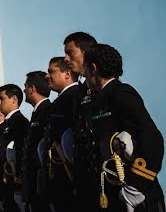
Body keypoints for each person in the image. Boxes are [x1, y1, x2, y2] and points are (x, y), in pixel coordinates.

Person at [83, 44, 165, 212]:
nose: (83, 75)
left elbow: (152, 138)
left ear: (93, 68)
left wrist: (135, 188)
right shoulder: (99, 100)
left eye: (85, 69)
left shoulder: (121, 93)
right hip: (112, 194)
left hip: (136, 197)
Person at [63, 31, 98, 211]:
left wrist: (134, 187)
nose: (65, 58)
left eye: (70, 53)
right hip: (89, 188)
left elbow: (148, 138)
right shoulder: (80, 93)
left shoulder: (111, 90)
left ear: (86, 52)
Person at [40, 57, 80, 211]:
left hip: (73, 181)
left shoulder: (76, 96)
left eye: (51, 72)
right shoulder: (59, 102)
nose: (46, 76)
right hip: (58, 181)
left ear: (67, 74)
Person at [0, 84, 28, 212]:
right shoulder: (5, 124)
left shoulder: (19, 121)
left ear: (14, 99)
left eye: (2, 99)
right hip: (2, 188)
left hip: (12, 186)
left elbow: (18, 151)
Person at [22, 71, 52, 212]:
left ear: (32, 89)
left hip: (43, 182)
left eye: (26, 86)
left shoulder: (47, 110)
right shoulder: (36, 112)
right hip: (34, 184)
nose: (24, 90)